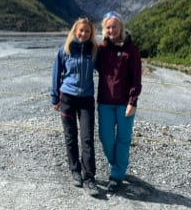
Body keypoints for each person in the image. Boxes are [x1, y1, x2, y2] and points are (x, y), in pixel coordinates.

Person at [51, 17, 100, 196]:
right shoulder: (65, 50)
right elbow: (56, 73)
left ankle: (89, 178)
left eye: (87, 31)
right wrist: (54, 97)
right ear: (75, 31)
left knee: (87, 138)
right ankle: (75, 171)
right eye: (81, 30)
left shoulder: (94, 50)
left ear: (91, 33)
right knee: (70, 136)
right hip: (67, 98)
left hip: (86, 99)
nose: (83, 34)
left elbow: (107, 71)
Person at [96, 11, 142, 193]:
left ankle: (116, 175)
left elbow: (136, 78)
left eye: (114, 26)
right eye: (108, 27)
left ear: (121, 27)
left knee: (123, 139)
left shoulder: (131, 49)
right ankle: (116, 165)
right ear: (104, 29)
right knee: (105, 137)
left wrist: (133, 100)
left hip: (125, 103)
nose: (111, 30)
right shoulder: (101, 49)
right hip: (105, 101)